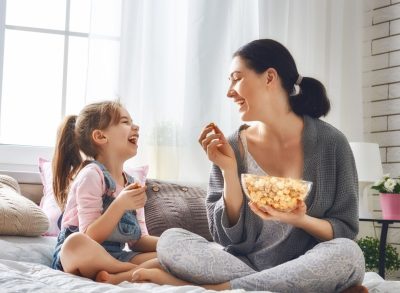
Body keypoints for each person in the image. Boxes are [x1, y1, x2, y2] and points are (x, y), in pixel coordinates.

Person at [130, 39, 367, 292]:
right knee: (171, 241)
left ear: (269, 77)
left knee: (348, 253)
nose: (229, 91)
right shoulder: (232, 145)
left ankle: (221, 289)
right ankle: (294, 287)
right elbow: (225, 238)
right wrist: (229, 171)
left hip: (307, 263)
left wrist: (301, 219)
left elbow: (345, 230)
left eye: (236, 78)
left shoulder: (331, 143)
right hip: (242, 263)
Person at [51, 101, 160, 284]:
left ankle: (114, 276)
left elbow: (139, 240)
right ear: (100, 136)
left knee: (168, 258)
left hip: (116, 256)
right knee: (75, 243)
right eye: (125, 122)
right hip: (81, 255)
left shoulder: (132, 183)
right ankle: (133, 271)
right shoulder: (91, 175)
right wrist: (120, 204)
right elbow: (89, 236)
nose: (136, 127)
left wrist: (171, 244)